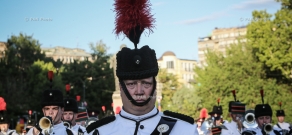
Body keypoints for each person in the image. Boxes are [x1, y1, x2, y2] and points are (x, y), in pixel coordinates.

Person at [85, 0, 199, 134]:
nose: (139, 91)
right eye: (132, 84)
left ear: (155, 86)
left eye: (146, 83)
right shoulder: (98, 132)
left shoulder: (184, 129)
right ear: (121, 88)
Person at [26, 71, 77, 135]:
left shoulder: (71, 133)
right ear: (43, 111)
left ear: (62, 110)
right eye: (47, 109)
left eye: (54, 108)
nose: (50, 112)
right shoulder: (33, 132)